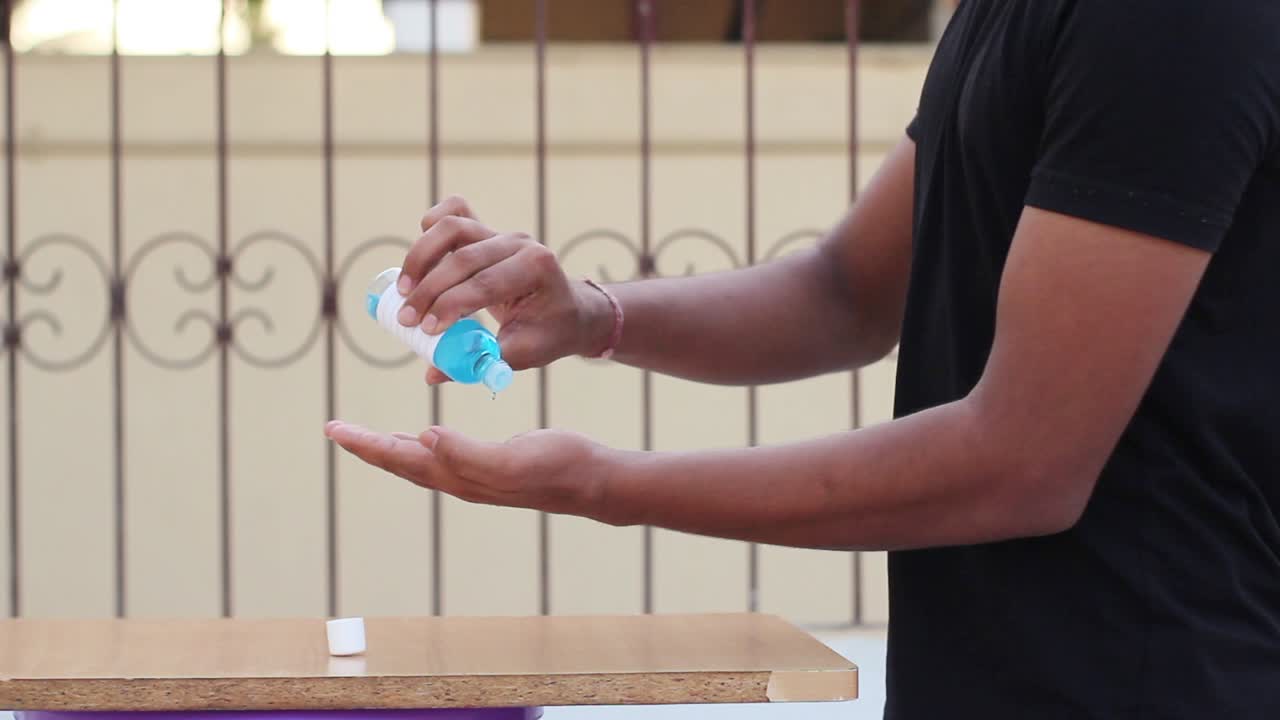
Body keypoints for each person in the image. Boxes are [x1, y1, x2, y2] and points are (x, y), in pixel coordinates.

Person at [325, 1, 1280, 716]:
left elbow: (1025, 463)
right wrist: (588, 316)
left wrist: (604, 485)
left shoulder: (1169, 17)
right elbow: (845, 292)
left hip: (1154, 680)